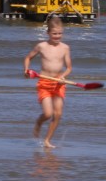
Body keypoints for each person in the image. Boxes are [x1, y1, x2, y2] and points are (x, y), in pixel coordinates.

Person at [23, 16, 72, 148]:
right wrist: (26, 70)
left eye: (60, 33)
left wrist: (63, 76)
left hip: (58, 84)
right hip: (44, 83)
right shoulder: (41, 46)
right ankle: (39, 122)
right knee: (48, 113)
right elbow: (28, 58)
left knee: (58, 114)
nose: (57, 36)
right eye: (54, 33)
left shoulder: (65, 48)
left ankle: (47, 140)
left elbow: (68, 68)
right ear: (48, 33)